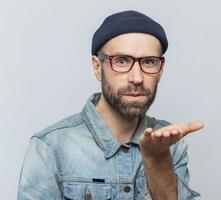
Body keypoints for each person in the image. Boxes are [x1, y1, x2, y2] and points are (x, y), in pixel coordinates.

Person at [17, 10, 204, 200]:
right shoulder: (50, 147)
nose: (137, 78)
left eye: (149, 62)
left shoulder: (169, 144)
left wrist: (157, 160)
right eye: (122, 61)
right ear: (97, 67)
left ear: (161, 70)